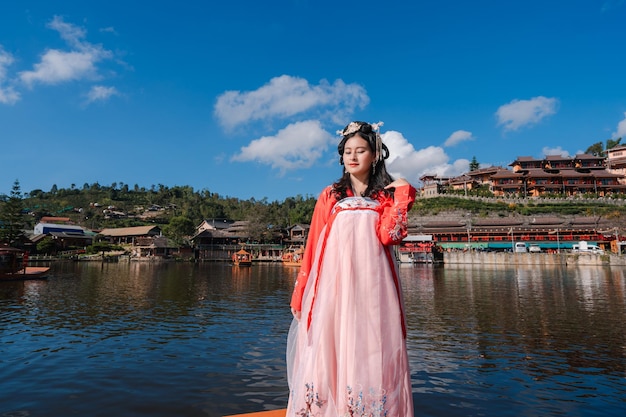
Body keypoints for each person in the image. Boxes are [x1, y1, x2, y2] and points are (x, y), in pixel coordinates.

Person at [286, 121, 415, 417]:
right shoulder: (331, 195)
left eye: (360, 150)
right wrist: (301, 292)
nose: (353, 157)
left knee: (371, 347)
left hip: (374, 289)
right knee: (329, 345)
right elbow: (314, 242)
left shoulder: (385, 195)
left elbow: (390, 236)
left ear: (375, 155)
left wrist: (403, 195)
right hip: (334, 288)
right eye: (347, 151)